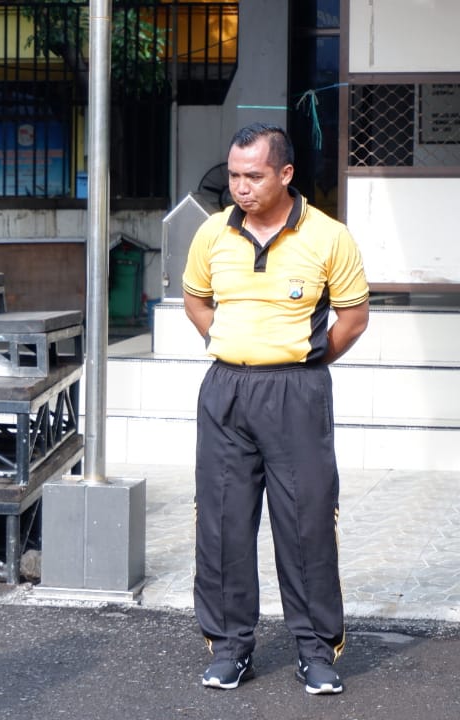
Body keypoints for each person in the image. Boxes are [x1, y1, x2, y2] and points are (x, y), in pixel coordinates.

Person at [182, 123, 370, 696]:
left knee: (306, 523)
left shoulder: (329, 236)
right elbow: (195, 300)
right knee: (221, 524)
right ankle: (230, 650)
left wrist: (303, 360)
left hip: (296, 392)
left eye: (254, 176)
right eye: (234, 176)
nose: (241, 187)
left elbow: (353, 319)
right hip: (226, 391)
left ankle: (315, 653)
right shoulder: (212, 233)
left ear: (285, 174)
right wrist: (233, 345)